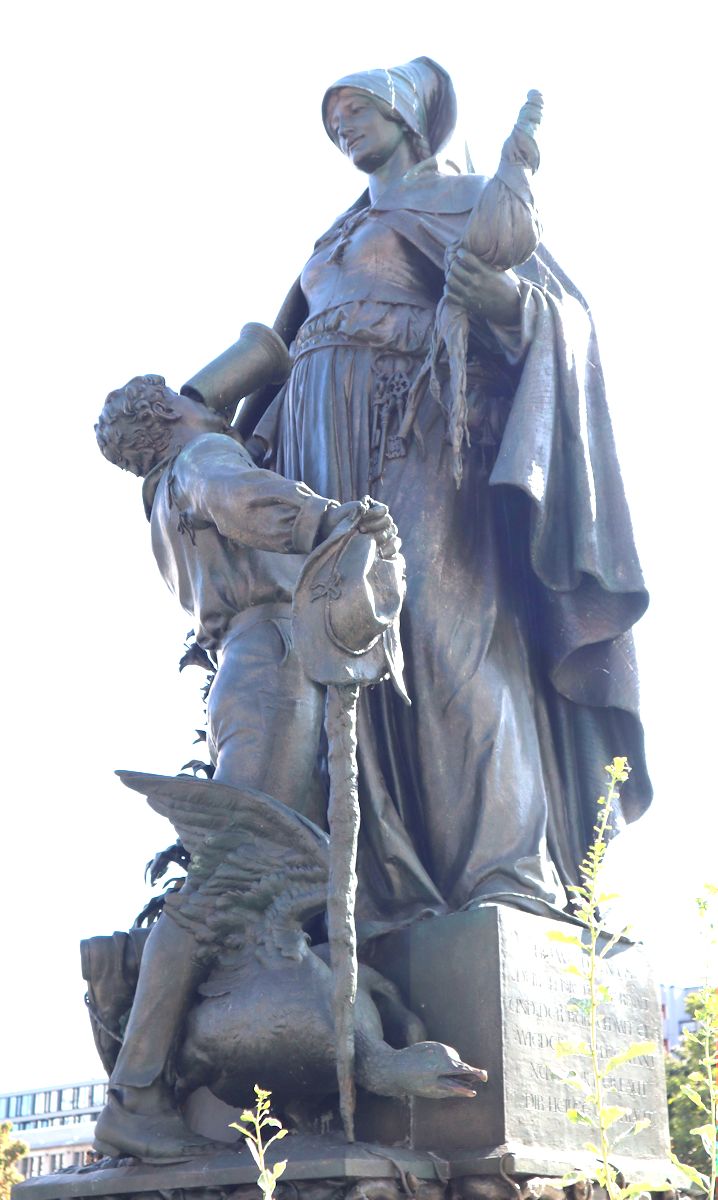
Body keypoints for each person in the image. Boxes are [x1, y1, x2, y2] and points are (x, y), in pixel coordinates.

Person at [252, 56, 651, 937]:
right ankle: (381, 888)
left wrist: (509, 304)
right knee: (338, 652)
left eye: (359, 110)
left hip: (425, 429)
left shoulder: (467, 198)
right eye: (334, 119)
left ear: (407, 114)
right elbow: (283, 353)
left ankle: (507, 874)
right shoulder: (333, 237)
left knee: (441, 632)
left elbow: (567, 318)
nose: (344, 127)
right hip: (324, 456)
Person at [93, 374, 397, 1157]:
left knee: (245, 870)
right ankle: (137, 1092)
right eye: (193, 395)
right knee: (229, 876)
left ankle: (151, 1086)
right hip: (272, 661)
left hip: (256, 662)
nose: (209, 398)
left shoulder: (164, 492)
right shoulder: (201, 458)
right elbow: (243, 498)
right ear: (173, 414)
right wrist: (325, 518)